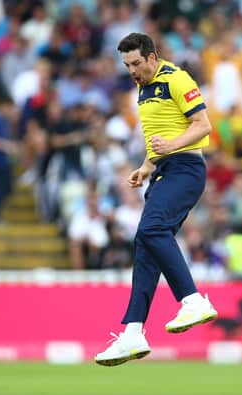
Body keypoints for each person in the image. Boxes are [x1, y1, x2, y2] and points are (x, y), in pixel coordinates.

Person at [95, 32, 217, 366]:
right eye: (126, 65)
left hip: (186, 169)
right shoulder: (143, 87)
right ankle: (133, 332)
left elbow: (203, 125)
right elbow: (157, 139)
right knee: (145, 247)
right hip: (165, 170)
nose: (132, 70)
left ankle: (193, 301)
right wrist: (146, 166)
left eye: (136, 63)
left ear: (152, 57)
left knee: (150, 231)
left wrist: (171, 148)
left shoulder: (176, 78)